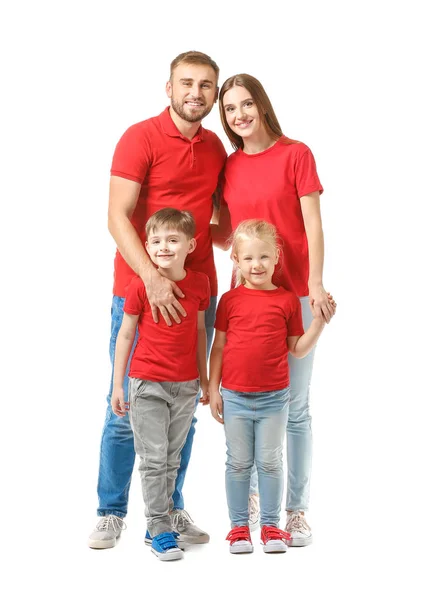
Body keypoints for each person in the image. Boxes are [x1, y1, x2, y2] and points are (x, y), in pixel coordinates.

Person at [88, 51, 226, 550]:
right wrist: (152, 277)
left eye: (207, 85)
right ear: (168, 88)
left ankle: (167, 511)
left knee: (182, 410)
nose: (196, 93)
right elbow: (116, 216)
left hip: (196, 296)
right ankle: (111, 511)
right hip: (141, 295)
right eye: (186, 83)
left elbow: (223, 222)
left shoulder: (215, 149)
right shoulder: (139, 137)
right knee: (125, 404)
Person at [211, 73, 335, 546]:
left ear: (262, 106)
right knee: (249, 395)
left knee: (295, 407)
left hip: (297, 293)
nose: (239, 115)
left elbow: (313, 226)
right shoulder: (230, 165)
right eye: (230, 110)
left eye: (246, 105)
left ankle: (296, 510)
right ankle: (257, 507)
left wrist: (316, 283)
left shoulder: (296, 154)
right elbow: (227, 229)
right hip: (248, 297)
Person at [209, 220, 335, 553]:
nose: (257, 265)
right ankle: (238, 528)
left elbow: (297, 348)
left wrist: (319, 324)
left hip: (274, 399)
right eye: (249, 258)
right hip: (235, 397)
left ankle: (270, 527)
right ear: (236, 260)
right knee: (237, 462)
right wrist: (213, 388)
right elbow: (218, 346)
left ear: (277, 257)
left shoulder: (287, 301)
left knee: (270, 462)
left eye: (264, 257)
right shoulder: (229, 301)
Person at [111, 208, 210, 561]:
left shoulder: (200, 283)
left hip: (185, 386)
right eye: (155, 241)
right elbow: (125, 335)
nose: (163, 247)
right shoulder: (139, 285)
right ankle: (159, 528)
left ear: (190, 244)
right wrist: (118, 386)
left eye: (172, 240)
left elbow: (200, 332)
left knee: (171, 459)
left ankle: (161, 523)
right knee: (153, 460)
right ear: (146, 246)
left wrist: (206, 379)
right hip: (147, 384)